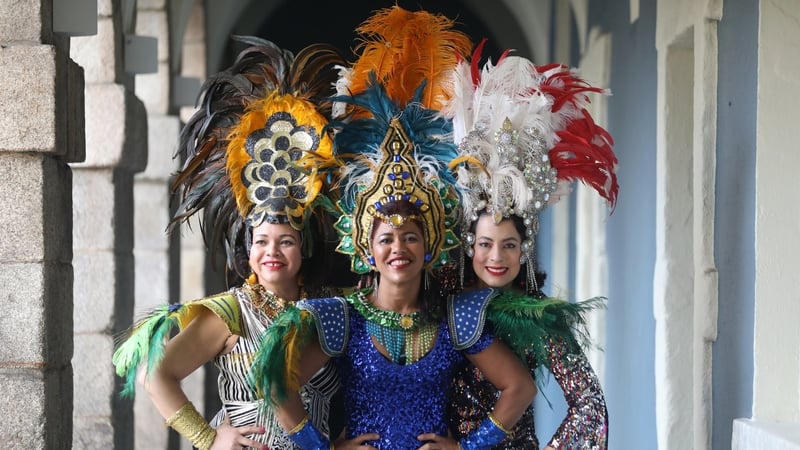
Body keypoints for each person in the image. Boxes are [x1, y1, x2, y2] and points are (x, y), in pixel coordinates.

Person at [249, 7, 537, 450]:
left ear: (431, 247)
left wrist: (468, 447)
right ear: (367, 250)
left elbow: (520, 387)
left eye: (410, 237)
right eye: (386, 238)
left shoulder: (455, 318)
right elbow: (275, 386)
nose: (398, 247)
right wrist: (321, 448)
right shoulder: (342, 317)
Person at [112, 37, 347, 450]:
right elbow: (155, 374)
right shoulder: (232, 312)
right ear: (247, 249)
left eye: (285, 241)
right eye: (262, 241)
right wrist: (207, 438)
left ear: (304, 248)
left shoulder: (330, 307)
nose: (271, 252)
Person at [444, 44, 616, 449]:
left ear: (525, 249)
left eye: (508, 245)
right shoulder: (440, 304)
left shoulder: (538, 318)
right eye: (485, 244)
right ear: (468, 246)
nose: (496, 257)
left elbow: (590, 406)